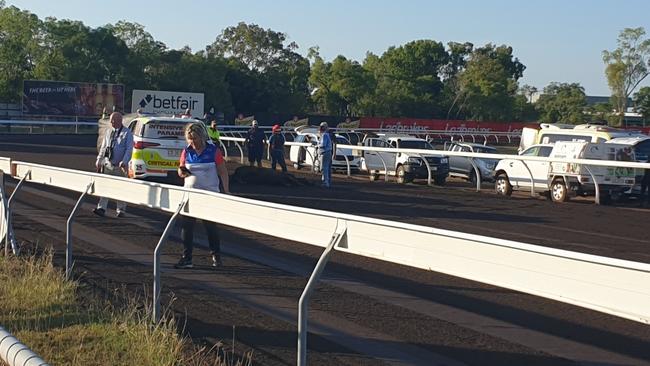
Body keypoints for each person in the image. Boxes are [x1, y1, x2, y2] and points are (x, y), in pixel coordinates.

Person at [175, 122, 230, 269]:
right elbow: (180, 170)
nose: (192, 143)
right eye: (190, 140)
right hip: (190, 195)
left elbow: (223, 171)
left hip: (209, 195)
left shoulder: (213, 151)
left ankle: (216, 257)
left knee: (210, 227)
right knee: (187, 227)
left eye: (195, 139)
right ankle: (187, 258)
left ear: (202, 137)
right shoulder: (186, 151)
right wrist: (182, 172)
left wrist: (226, 190)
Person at [93, 112, 133, 218]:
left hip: (120, 167)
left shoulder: (127, 133)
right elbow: (104, 147)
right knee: (105, 186)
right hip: (108, 164)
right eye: (111, 120)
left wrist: (124, 161)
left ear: (119, 121)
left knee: (120, 188)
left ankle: (121, 210)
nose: (111, 122)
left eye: (113, 120)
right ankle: (101, 208)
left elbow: (129, 149)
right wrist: (99, 160)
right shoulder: (108, 131)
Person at [317, 122, 333, 188]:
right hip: (328, 152)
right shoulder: (327, 134)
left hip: (325, 152)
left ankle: (325, 182)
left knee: (324, 168)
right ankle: (327, 181)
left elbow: (323, 144)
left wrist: (317, 145)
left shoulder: (324, 135)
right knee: (327, 168)